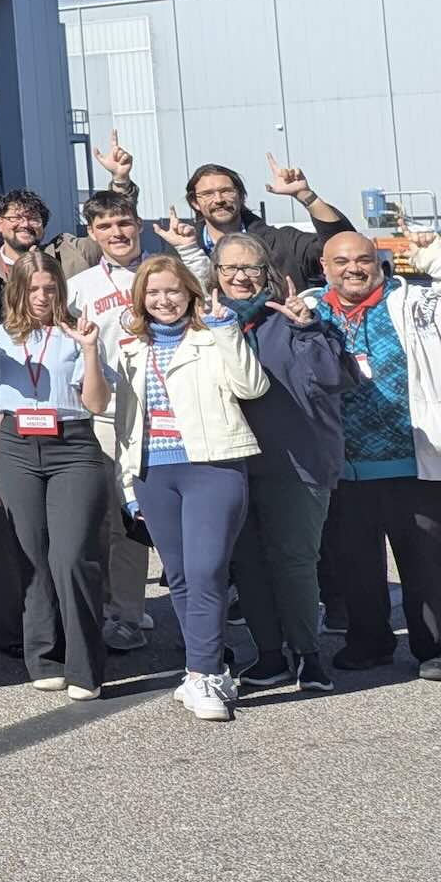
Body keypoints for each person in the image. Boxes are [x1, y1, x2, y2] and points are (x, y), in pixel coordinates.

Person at [312, 226, 441, 680]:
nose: (354, 269)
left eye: (363, 260)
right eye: (342, 262)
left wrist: (438, 258)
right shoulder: (310, 310)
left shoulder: (416, 304)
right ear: (324, 268)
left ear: (379, 261)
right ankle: (368, 642)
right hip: (342, 469)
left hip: (415, 462)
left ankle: (437, 649)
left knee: (428, 563)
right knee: (354, 567)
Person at [104, 256, 266, 721]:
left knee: (207, 571)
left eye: (172, 291)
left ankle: (205, 674)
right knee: (178, 576)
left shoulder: (213, 336)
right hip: (154, 473)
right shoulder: (132, 347)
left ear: (191, 292)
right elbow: (123, 426)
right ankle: (201, 670)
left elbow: (252, 387)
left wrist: (227, 329)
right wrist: (128, 486)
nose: (163, 300)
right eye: (153, 293)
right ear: (140, 299)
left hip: (212, 466)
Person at [64, 188, 210, 654]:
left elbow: (207, 296)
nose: (117, 232)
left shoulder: (168, 272)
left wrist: (188, 248)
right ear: (92, 234)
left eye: (123, 222)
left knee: (171, 515)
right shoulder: (81, 286)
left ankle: (202, 604)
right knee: (118, 518)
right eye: (104, 226)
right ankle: (127, 613)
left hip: (170, 412)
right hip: (109, 414)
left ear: (138, 224)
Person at [0, 257, 114, 699]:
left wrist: (90, 350)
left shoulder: (77, 334)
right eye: (33, 289)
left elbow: (95, 402)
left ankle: (85, 666)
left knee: (72, 556)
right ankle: (44, 656)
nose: (41, 298)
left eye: (50, 289)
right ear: (18, 290)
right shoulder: (0, 339)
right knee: (31, 556)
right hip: (16, 447)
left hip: (72, 445)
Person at [216, 235, 346, 693]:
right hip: (233, 465)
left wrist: (309, 328)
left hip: (296, 461)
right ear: (216, 275)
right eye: (229, 268)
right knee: (247, 564)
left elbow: (332, 378)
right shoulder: (211, 326)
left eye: (250, 267)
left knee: (293, 562)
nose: (239, 276)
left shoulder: (292, 318)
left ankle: (308, 656)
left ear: (266, 272)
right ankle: (269, 654)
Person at [174, 155, 357, 293]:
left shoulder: (282, 243)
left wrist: (306, 196)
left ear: (241, 196)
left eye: (226, 191)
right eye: (207, 194)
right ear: (194, 202)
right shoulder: (181, 253)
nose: (219, 199)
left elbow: (344, 246)